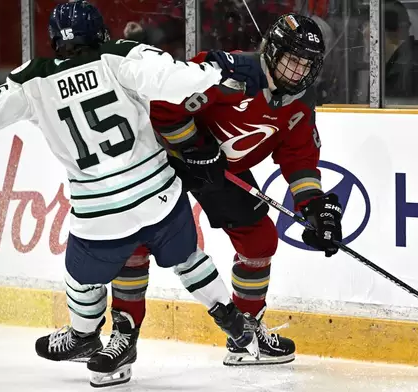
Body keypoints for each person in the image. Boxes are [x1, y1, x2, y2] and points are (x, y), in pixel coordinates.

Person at [0, 0, 268, 387]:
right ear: (99, 32)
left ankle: (83, 335)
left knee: (82, 278)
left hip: (101, 215)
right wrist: (220, 68)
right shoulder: (121, 55)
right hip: (159, 196)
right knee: (187, 256)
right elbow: (176, 78)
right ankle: (230, 316)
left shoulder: (32, 80)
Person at [117, 13, 345, 366]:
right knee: (136, 239)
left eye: (306, 64)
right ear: (272, 51)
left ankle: (246, 334)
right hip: (163, 157)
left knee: (260, 239)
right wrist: (193, 146)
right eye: (292, 60)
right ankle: (122, 335)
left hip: (217, 170)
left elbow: (299, 159)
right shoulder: (226, 73)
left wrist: (314, 207)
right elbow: (162, 106)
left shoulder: (299, 103)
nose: (298, 71)